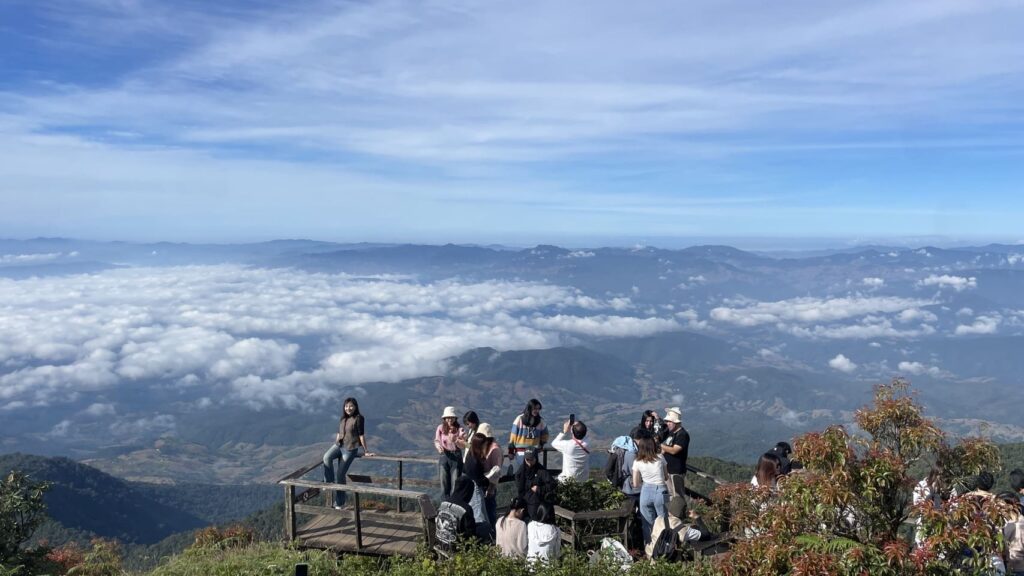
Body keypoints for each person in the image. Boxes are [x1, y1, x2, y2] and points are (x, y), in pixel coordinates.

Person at [322, 397, 373, 509]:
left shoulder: (359, 418)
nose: (348, 408)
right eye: (346, 406)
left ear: (355, 407)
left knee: (340, 475)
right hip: (339, 445)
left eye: (351, 406)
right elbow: (339, 432)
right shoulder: (343, 419)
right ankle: (329, 482)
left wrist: (366, 451)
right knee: (326, 457)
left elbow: (361, 435)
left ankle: (340, 503)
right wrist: (336, 443)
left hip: (350, 449)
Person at [632, 434, 669, 545]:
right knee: (663, 522)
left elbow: (636, 483)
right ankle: (665, 546)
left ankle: (650, 548)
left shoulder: (637, 462)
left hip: (645, 491)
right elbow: (666, 477)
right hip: (660, 490)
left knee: (647, 524)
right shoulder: (660, 458)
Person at [464, 432, 499, 540]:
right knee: (479, 515)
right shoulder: (475, 461)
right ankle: (483, 539)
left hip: (469, 486)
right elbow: (479, 480)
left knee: (476, 513)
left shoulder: (470, 455)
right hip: (476, 488)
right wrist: (489, 478)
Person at [435, 475, 477, 553]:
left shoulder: (443, 504)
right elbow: (471, 534)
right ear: (468, 491)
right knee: (485, 527)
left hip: (440, 544)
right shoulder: (465, 508)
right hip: (456, 548)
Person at [515, 448, 557, 521]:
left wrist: (539, 489)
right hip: (523, 501)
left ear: (536, 458)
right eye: (527, 459)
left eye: (531, 459)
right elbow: (517, 478)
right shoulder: (522, 468)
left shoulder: (541, 471)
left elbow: (552, 484)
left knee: (533, 523)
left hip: (534, 504)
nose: (529, 462)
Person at [509, 399, 548, 473]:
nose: (537, 411)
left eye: (538, 409)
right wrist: (511, 451)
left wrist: (541, 444)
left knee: (532, 472)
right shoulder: (519, 419)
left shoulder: (540, 421)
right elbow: (513, 436)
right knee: (523, 471)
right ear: (530, 408)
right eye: (535, 409)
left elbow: (545, 435)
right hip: (521, 451)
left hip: (533, 451)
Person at [660, 406, 689, 499]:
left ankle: (679, 513)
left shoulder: (682, 435)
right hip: (668, 470)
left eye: (669, 421)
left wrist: (659, 445)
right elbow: (667, 449)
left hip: (676, 471)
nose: (667, 423)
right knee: (671, 495)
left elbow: (674, 450)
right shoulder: (671, 433)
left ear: (676, 422)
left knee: (678, 496)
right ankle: (673, 513)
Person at [477, 422, 503, 528]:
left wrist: (491, 487)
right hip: (484, 482)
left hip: (488, 485)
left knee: (489, 510)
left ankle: (491, 532)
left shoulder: (494, 449)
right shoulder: (486, 446)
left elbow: (496, 471)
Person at [913, 464, 944, 547]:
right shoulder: (922, 485)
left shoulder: (946, 489)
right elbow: (916, 504)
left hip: (940, 526)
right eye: (939, 475)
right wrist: (931, 493)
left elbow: (953, 506)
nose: (940, 479)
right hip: (924, 523)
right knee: (922, 546)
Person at [435, 406, 463, 498]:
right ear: (444, 418)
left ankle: (454, 506)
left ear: (455, 418)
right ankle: (445, 506)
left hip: (456, 455)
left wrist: (456, 440)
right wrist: (439, 447)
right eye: (447, 417)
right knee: (444, 483)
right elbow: (437, 440)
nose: (449, 419)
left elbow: (463, 445)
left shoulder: (460, 429)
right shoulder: (440, 428)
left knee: (455, 484)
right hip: (444, 455)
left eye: (451, 417)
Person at [551, 418, 590, 483]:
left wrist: (564, 431)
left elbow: (553, 443)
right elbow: (584, 434)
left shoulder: (568, 445)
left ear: (572, 432)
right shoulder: (588, 443)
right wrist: (574, 428)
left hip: (567, 481)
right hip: (583, 480)